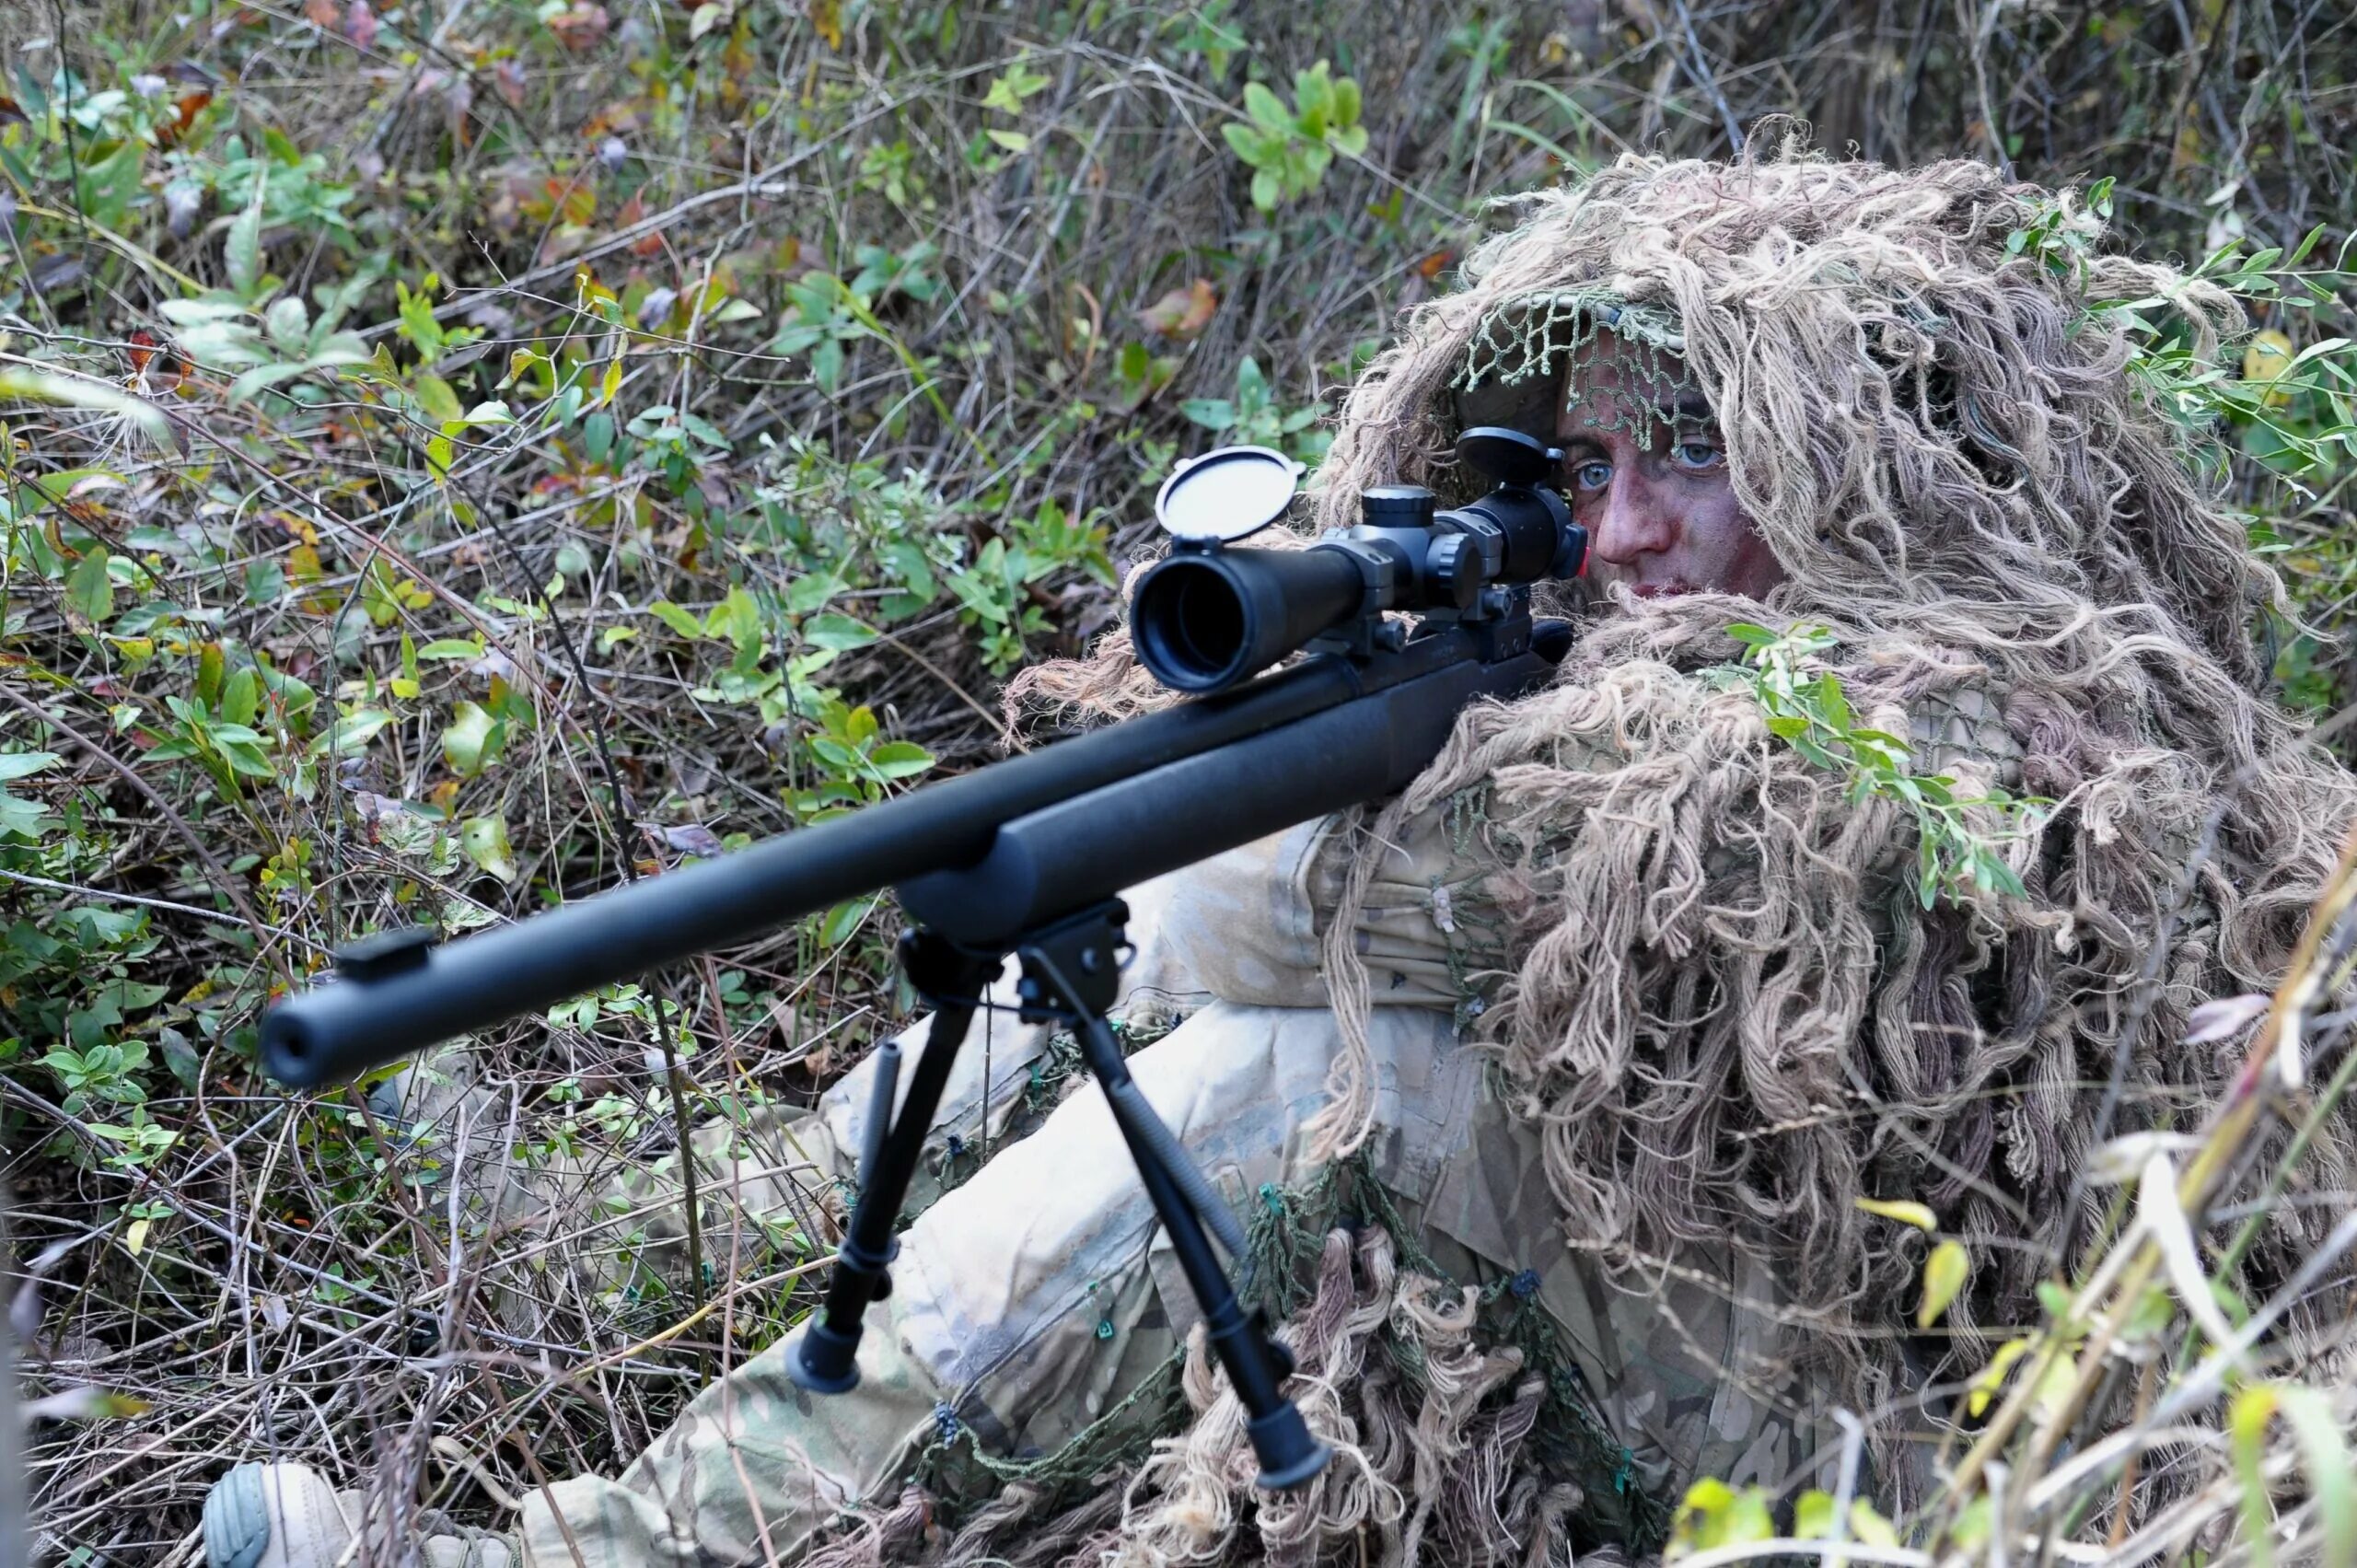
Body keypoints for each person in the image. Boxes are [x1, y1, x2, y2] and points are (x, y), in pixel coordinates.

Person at [202, 146, 2357, 1568]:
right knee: (1110, 974)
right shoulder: (1633, 658)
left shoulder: (1991, 721)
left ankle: (614, 1552)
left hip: (1887, 1462)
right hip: (1678, 1341)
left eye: (1696, 461)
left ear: (1880, 473)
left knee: (1307, 1072)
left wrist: (1333, 821)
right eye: (1583, 463)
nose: (1614, 538)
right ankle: (660, 1271)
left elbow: (1254, 911)